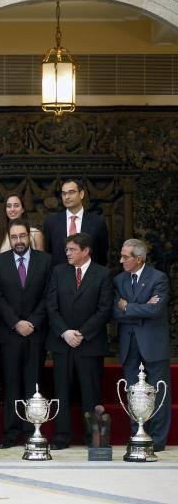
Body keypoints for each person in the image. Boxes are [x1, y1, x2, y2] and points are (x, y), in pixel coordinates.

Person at [46, 232, 113, 450]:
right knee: (62, 392)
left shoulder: (103, 274)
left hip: (90, 344)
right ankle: (61, 437)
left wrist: (81, 334)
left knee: (90, 393)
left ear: (86, 251)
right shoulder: (58, 272)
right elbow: (51, 306)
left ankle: (93, 439)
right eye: (66, 249)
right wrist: (65, 332)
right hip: (62, 344)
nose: (67, 253)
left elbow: (104, 310)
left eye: (72, 250)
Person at [0, 219, 52, 449]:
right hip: (10, 333)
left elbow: (48, 296)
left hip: (36, 333)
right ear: (9, 238)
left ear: (29, 236)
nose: (19, 241)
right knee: (11, 383)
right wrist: (16, 323)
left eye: (22, 236)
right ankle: (10, 433)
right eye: (14, 237)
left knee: (33, 383)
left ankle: (31, 431)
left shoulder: (45, 261)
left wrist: (32, 322)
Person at [113, 238, 171, 453]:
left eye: (125, 257)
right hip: (130, 345)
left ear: (138, 259)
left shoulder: (158, 278)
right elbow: (116, 312)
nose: (121, 260)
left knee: (159, 392)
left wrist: (128, 308)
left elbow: (155, 311)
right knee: (132, 393)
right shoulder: (119, 280)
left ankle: (158, 439)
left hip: (153, 345)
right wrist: (138, 309)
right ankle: (138, 433)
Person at [43, 179, 109, 266]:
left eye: (71, 192)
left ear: (81, 194)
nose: (67, 197)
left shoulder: (97, 222)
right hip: (60, 276)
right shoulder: (51, 223)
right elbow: (48, 253)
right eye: (64, 193)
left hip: (89, 275)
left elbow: (102, 254)